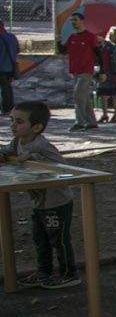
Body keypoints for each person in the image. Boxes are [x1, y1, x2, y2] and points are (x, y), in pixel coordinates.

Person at [1, 101, 79, 288]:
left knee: (58, 240)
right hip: (39, 202)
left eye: (19, 122)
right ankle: (44, 272)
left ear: (36, 127)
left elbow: (60, 165)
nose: (13, 125)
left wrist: (34, 159)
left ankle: (69, 274)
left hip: (56, 202)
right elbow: (6, 152)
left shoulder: (41, 145)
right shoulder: (17, 142)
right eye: (12, 120)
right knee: (40, 239)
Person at [62, 12, 101, 130]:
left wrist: (102, 71)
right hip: (75, 71)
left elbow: (98, 53)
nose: (73, 22)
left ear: (82, 21)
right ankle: (91, 122)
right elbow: (63, 50)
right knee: (84, 97)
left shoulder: (90, 36)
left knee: (78, 95)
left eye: (75, 20)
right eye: (72, 20)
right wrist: (58, 39)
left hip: (86, 70)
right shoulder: (72, 37)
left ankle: (80, 122)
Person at [97, 26, 116, 124]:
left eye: (111, 33)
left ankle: (107, 114)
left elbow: (108, 61)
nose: (109, 35)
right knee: (114, 94)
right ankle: (113, 114)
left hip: (110, 72)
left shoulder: (110, 47)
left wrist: (104, 72)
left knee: (106, 94)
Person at [0, 17, 19, 114]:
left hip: (1, 68)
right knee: (7, 88)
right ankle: (9, 108)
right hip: (10, 68)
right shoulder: (12, 37)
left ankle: (5, 108)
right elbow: (18, 50)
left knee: (4, 90)